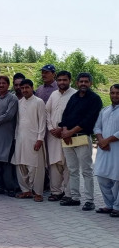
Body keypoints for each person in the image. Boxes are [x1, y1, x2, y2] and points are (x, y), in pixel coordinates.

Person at [59, 73, 103, 211]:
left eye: (86, 81)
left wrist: (70, 132)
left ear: (90, 83)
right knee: (72, 169)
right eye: (81, 81)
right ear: (77, 83)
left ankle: (89, 200)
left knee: (86, 170)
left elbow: (88, 120)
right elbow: (65, 115)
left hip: (82, 137)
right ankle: (75, 197)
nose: (83, 84)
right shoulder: (74, 97)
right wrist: (65, 131)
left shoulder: (95, 99)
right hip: (68, 138)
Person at [11, 79, 46, 202]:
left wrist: (40, 139)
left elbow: (43, 122)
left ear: (32, 88)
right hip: (20, 139)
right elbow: (18, 122)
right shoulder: (19, 102)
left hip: (34, 139)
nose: (24, 90)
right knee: (20, 165)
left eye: (27, 88)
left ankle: (38, 193)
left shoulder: (39, 102)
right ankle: (26, 191)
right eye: (22, 88)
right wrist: (16, 138)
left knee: (35, 167)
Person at [45, 71, 76, 201]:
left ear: (70, 80)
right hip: (53, 136)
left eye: (65, 80)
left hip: (68, 135)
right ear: (56, 81)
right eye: (60, 80)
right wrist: (51, 128)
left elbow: (76, 116)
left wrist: (63, 129)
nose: (62, 82)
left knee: (69, 165)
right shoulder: (53, 94)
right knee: (54, 164)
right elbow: (46, 112)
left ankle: (68, 193)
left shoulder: (75, 95)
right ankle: (56, 192)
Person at [94, 84, 119, 216]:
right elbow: (97, 127)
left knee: (117, 179)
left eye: (117, 93)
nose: (115, 96)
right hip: (104, 149)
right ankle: (109, 205)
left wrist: (107, 140)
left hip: (116, 150)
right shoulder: (105, 110)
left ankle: (117, 206)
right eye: (112, 93)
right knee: (102, 176)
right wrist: (101, 139)